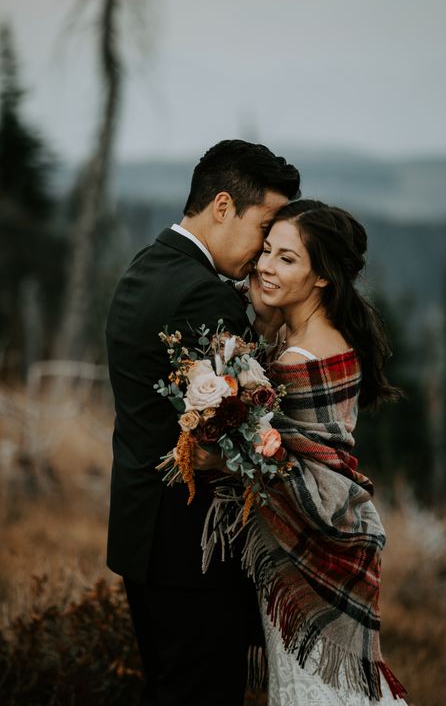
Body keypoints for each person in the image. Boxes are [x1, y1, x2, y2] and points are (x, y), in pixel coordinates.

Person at [105, 139, 300, 706]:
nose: (265, 250)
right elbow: (233, 428)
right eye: (263, 227)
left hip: (141, 535)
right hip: (193, 551)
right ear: (222, 206)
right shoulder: (202, 296)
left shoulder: (145, 265)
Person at [246, 199, 408, 705]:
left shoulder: (297, 357)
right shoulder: (322, 332)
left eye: (287, 258)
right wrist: (268, 318)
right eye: (267, 250)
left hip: (309, 546)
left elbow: (279, 459)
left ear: (322, 277)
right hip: (344, 532)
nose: (266, 265)